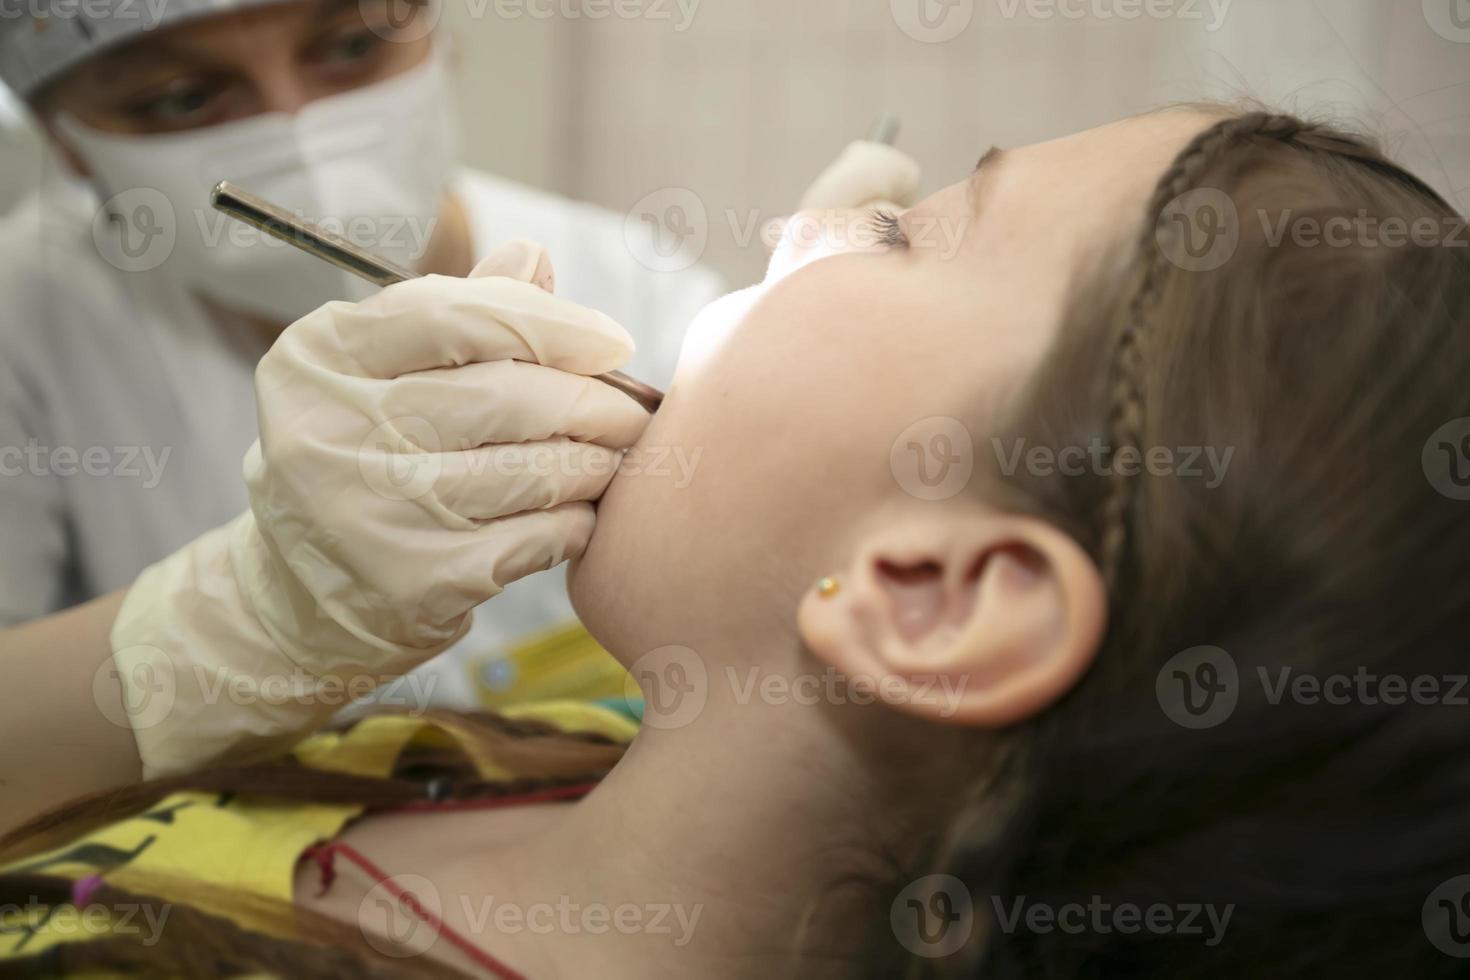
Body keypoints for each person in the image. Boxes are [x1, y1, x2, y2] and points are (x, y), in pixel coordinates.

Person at [3, 103, 1467, 977]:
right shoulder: (547, 737)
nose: (795, 225)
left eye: (903, 235)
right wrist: (209, 635)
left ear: (934, 601)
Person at [0, 0, 739, 705]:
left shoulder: (646, 290)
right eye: (184, 97)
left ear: (442, 35)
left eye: (353, 45)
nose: (296, 128)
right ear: (65, 142)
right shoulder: (28, 323)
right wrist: (259, 617)